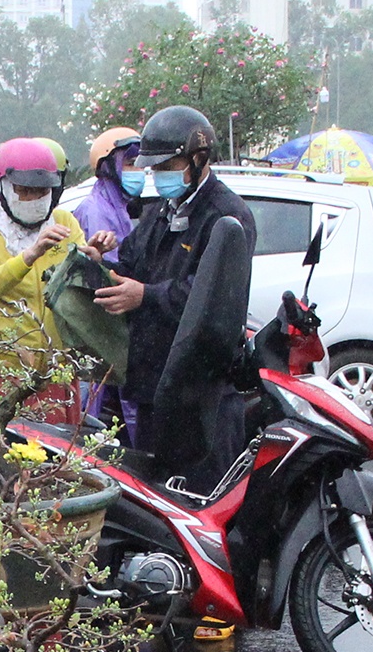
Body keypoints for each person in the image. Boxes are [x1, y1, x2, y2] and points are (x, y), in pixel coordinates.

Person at [98, 105, 255, 492]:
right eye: (155, 169)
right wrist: (103, 259)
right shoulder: (159, 210)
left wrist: (146, 297)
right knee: (158, 493)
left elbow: (212, 298)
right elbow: (134, 262)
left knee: (199, 496)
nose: (160, 177)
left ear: (199, 159)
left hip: (201, 389)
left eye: (169, 166)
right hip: (156, 382)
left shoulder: (228, 217)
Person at [0, 138, 110, 383]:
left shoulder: (63, 221)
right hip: (7, 367)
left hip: (58, 366)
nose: (34, 198)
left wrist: (92, 260)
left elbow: (79, 288)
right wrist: (31, 254)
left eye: (42, 191)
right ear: (3, 188)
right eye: (25, 190)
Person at [69, 126, 141, 264]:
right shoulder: (96, 211)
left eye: (140, 164)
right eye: (131, 164)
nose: (139, 171)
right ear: (109, 167)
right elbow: (107, 270)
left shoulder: (118, 206)